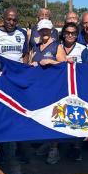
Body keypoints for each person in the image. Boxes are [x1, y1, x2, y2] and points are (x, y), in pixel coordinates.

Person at [0, 7, 29, 163]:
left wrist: (23, 72)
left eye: (14, 20)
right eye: (8, 19)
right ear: (3, 19)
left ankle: (22, 149)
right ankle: (0, 150)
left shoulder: (22, 33)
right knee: (1, 114)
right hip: (0, 80)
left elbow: (25, 55)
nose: (11, 22)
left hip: (17, 80)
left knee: (20, 114)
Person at [29, 19, 66, 164]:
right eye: (42, 30)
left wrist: (51, 62)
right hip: (39, 88)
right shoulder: (35, 47)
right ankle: (47, 143)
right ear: (38, 31)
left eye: (47, 29)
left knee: (54, 118)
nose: (44, 32)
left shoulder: (57, 46)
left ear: (51, 31)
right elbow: (29, 65)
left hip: (53, 88)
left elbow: (64, 66)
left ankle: (54, 149)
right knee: (43, 118)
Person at [59, 22, 88, 161]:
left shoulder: (82, 49)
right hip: (60, 88)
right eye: (67, 32)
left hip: (77, 88)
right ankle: (57, 145)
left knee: (76, 118)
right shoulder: (57, 47)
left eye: (73, 33)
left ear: (77, 35)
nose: (70, 35)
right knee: (61, 116)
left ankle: (77, 148)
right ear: (63, 33)